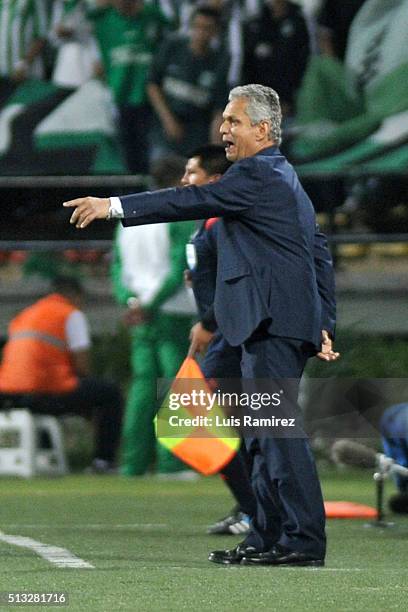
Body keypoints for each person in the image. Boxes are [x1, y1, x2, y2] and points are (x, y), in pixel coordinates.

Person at [63, 83, 339, 566]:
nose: (223, 129)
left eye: (233, 121)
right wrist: (323, 320)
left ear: (263, 129)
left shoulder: (260, 173)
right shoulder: (276, 178)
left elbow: (184, 201)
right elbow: (316, 249)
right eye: (224, 120)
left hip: (270, 323)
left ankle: (302, 541)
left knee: (274, 432)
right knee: (254, 434)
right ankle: (268, 534)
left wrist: (114, 206)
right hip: (255, 324)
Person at [181, 144, 257, 535]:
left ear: (213, 181)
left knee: (209, 422)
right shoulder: (207, 223)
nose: (184, 181)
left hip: (229, 336)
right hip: (223, 335)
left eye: (191, 172)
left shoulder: (219, 223)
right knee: (231, 426)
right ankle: (252, 506)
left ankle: (254, 508)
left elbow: (233, 281)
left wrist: (208, 322)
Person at [111, 155, 197, 477]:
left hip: (139, 310)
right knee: (175, 385)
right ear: (178, 179)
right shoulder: (177, 215)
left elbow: (117, 266)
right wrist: (152, 302)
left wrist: (130, 301)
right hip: (169, 309)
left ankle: (133, 464)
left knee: (143, 388)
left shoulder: (130, 216)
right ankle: (171, 463)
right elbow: (178, 266)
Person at [0, 276, 123, 473]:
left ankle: (43, 453)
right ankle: (103, 461)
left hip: (7, 393)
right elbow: (82, 366)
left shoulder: (25, 314)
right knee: (109, 394)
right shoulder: (70, 313)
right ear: (74, 295)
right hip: (44, 391)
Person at [88, 0, 172, 173]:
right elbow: (70, 22)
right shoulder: (102, 18)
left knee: (150, 153)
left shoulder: (152, 16)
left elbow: (174, 30)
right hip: (118, 96)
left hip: (149, 97)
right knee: (127, 155)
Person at [146, 5, 229, 160]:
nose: (201, 33)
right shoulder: (172, 47)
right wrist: (168, 120)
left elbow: (218, 107)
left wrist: (215, 147)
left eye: (207, 28)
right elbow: (153, 84)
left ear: (215, 32)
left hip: (197, 135)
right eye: (197, 26)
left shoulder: (219, 61)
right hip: (164, 132)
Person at [243, 0, 311, 118]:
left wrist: (289, 101)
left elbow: (303, 64)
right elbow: (248, 66)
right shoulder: (256, 23)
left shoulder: (299, 22)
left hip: (289, 104)